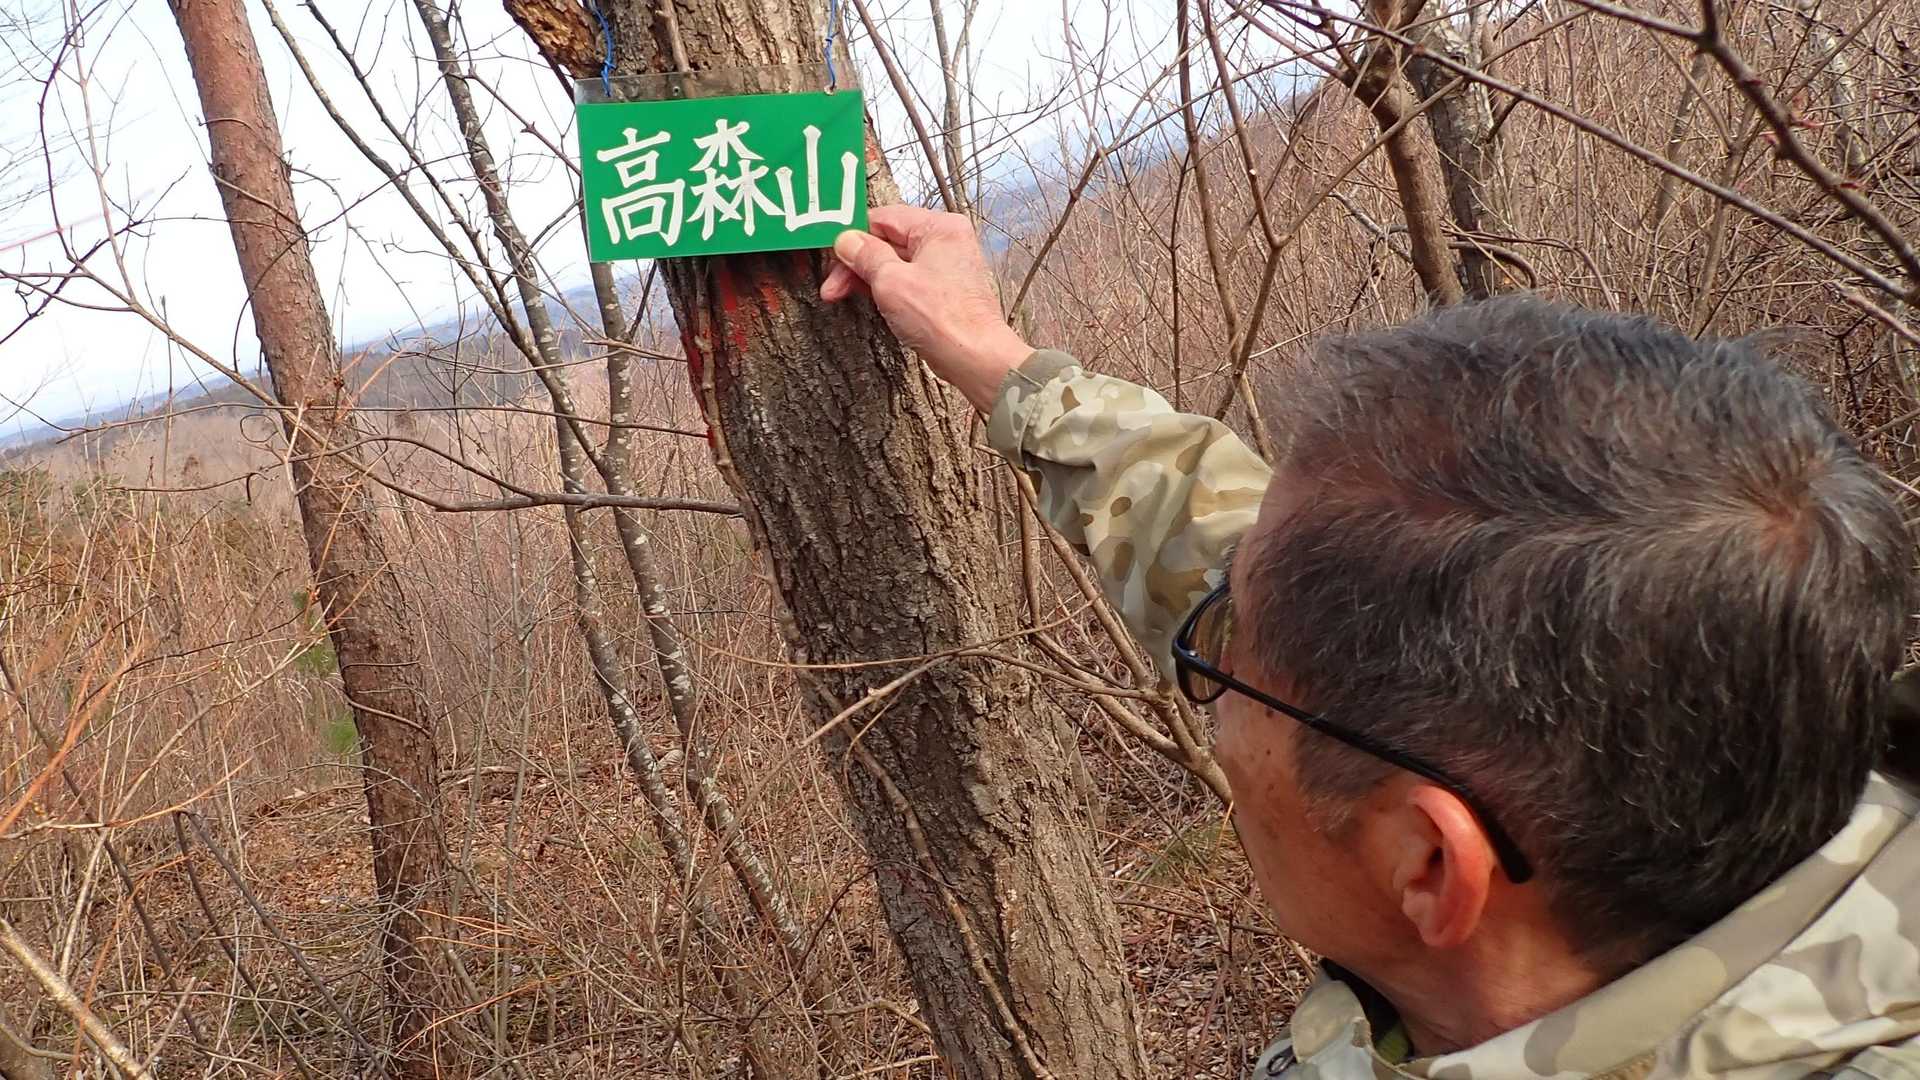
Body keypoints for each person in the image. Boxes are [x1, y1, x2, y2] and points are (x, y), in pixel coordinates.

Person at [822, 205, 1920, 1079]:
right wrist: (1001, 363)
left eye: (1221, 653)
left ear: (1427, 864)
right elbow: (1234, 544)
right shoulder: (1749, 702)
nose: (1208, 645)